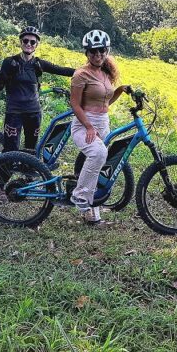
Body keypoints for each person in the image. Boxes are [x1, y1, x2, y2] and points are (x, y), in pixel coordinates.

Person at [69, 30, 131, 225]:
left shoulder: (105, 74)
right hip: (83, 124)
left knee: (99, 164)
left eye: (102, 51)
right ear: (87, 53)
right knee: (98, 154)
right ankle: (80, 196)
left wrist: (120, 90)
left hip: (102, 123)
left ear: (107, 51)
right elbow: (75, 104)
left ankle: (92, 213)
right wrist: (88, 126)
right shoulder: (81, 74)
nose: (98, 55)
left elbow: (105, 103)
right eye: (93, 52)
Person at [0, 26, 75, 153]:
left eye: (32, 42)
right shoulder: (10, 62)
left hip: (33, 112)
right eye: (25, 41)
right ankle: (2, 173)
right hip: (14, 112)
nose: (29, 44)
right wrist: (3, 75)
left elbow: (61, 70)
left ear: (37, 44)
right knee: (10, 150)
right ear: (21, 42)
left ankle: (28, 170)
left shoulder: (38, 64)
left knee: (30, 149)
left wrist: (86, 71)